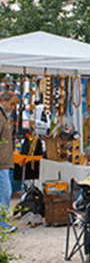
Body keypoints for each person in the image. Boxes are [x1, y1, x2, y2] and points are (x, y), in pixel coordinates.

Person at [0, 92, 18, 232]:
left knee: (5, 192)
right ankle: (2, 225)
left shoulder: (3, 116)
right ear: (4, 101)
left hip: (3, 162)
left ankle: (3, 224)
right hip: (1, 163)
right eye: (11, 104)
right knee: (5, 192)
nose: (13, 107)